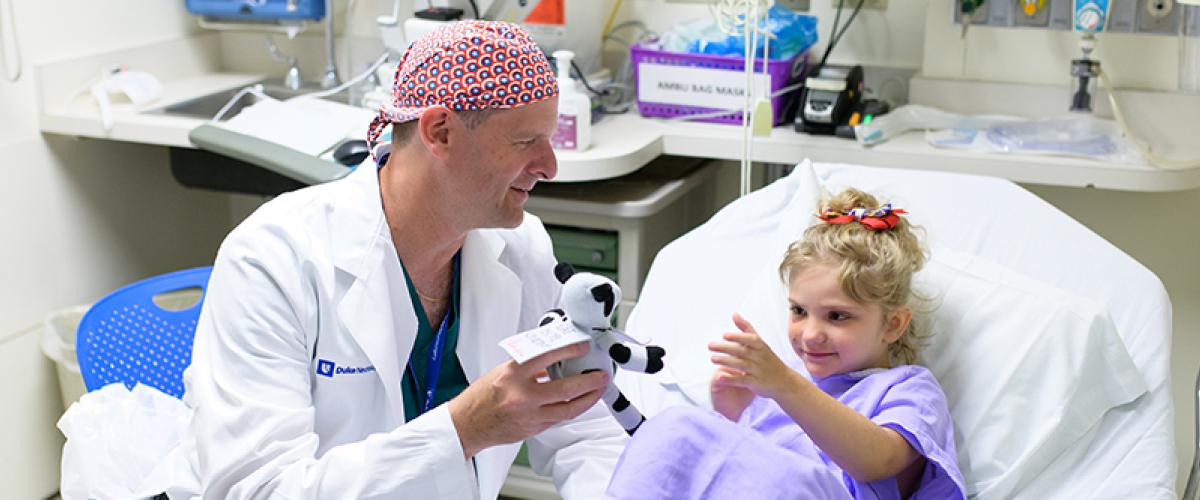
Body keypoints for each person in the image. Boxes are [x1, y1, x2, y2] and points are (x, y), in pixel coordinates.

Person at [180, 20, 628, 499]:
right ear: (440, 131)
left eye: (548, 138)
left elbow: (584, 431)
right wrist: (463, 430)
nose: (549, 167)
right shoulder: (274, 260)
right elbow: (257, 491)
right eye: (524, 142)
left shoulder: (521, 249)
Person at [604, 188, 966, 500]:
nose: (810, 334)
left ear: (893, 324)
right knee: (671, 430)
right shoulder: (778, 389)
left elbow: (878, 462)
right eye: (798, 311)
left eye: (837, 316)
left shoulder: (908, 389)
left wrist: (783, 386)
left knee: (680, 426)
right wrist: (732, 414)